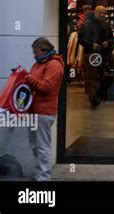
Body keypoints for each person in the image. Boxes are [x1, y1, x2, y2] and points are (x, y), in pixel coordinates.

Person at [25, 37, 65, 181]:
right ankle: (40, 174)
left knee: (42, 146)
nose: (34, 55)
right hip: (35, 110)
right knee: (36, 145)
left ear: (43, 50)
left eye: (35, 52)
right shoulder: (39, 64)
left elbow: (46, 87)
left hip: (44, 111)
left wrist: (27, 79)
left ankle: (43, 177)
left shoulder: (54, 65)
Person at [78, 5, 114, 109]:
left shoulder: (106, 24)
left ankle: (98, 97)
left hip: (104, 55)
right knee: (92, 79)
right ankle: (93, 99)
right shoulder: (86, 24)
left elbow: (111, 38)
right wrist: (91, 45)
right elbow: (80, 40)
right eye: (100, 13)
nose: (102, 15)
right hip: (91, 55)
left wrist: (107, 42)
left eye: (104, 13)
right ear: (95, 12)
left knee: (105, 78)